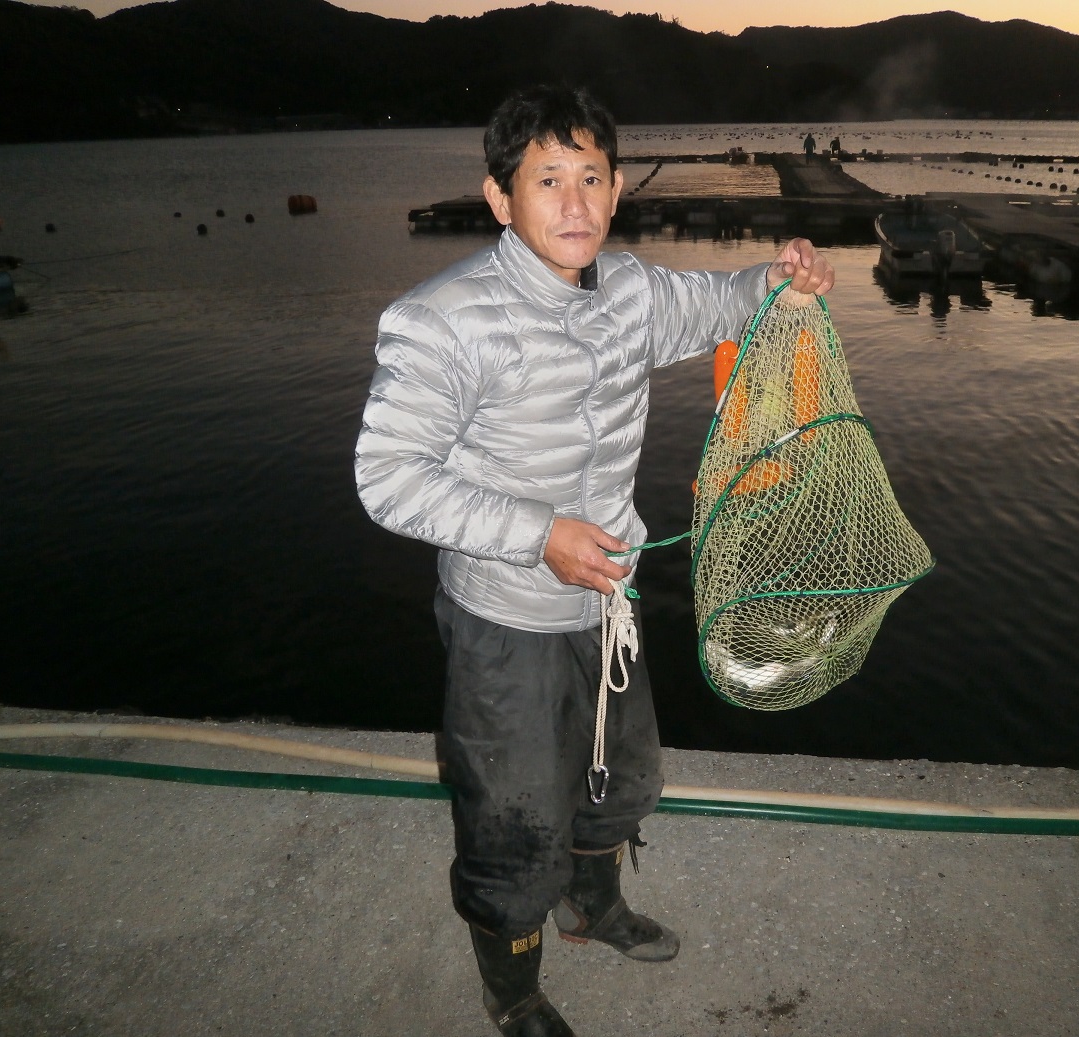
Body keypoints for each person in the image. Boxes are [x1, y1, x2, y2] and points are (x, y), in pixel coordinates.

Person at [354, 84, 834, 1037]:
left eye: (590, 178)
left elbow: (719, 302)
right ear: (500, 198)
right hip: (506, 620)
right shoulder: (441, 319)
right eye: (546, 180)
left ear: (616, 191)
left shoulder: (631, 292)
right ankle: (512, 993)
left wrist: (780, 277)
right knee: (513, 821)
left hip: (608, 603)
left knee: (623, 777)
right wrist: (539, 532)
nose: (573, 203)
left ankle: (592, 904)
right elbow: (387, 477)